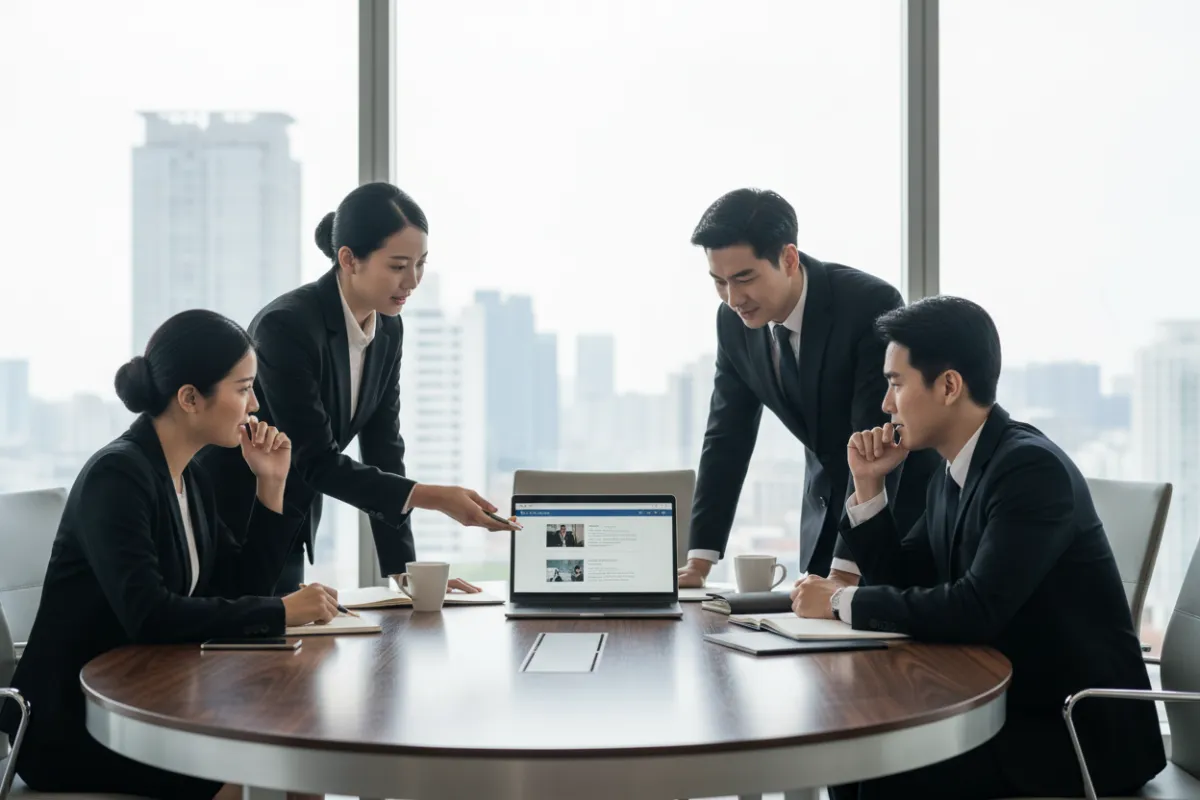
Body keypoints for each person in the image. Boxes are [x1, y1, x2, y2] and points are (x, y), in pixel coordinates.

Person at [792, 296, 1166, 799]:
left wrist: (840, 600)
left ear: (948, 386)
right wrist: (868, 489)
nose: (885, 404)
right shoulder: (954, 472)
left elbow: (976, 608)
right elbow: (909, 579)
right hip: (1012, 703)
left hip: (1075, 732)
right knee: (852, 755)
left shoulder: (1029, 471)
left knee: (883, 765)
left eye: (896, 383)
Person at [0, 310, 341, 800]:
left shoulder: (188, 476)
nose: (256, 404)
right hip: (79, 722)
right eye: (243, 388)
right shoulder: (116, 478)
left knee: (299, 763)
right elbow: (150, 614)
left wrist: (271, 483)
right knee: (262, 775)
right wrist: (283, 610)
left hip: (153, 702)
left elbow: (238, 585)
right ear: (189, 398)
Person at [199, 183, 514, 596]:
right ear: (348, 259)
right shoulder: (287, 326)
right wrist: (433, 497)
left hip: (290, 522)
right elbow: (315, 458)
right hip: (234, 522)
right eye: (398, 266)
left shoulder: (388, 327)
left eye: (420, 264)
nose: (413, 281)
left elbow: (384, 447)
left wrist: (407, 571)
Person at [679, 188, 939, 588]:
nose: (733, 298)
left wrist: (844, 572)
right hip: (821, 519)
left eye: (745, 278)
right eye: (719, 282)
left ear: (788, 258)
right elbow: (726, 436)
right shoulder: (733, 323)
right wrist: (699, 560)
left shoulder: (868, 303)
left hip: (896, 519)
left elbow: (877, 437)